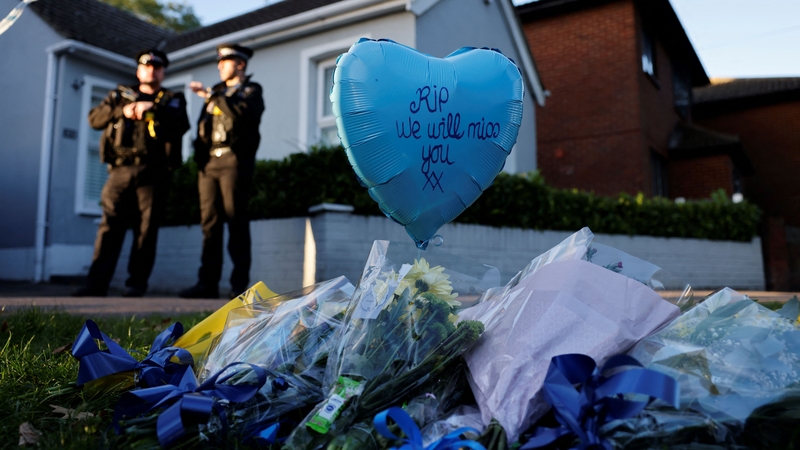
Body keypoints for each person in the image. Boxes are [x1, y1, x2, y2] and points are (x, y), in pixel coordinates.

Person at [73, 49, 190, 298]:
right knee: (109, 226)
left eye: (157, 67)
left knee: (146, 229)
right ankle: (96, 285)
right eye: (146, 66)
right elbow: (94, 119)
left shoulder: (173, 99)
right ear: (138, 71)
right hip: (120, 170)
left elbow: (182, 124)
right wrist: (122, 111)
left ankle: (136, 286)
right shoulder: (119, 95)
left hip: (154, 171)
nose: (151, 71)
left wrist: (153, 108)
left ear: (163, 73)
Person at [179, 43, 264, 299]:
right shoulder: (215, 93)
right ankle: (207, 284)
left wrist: (210, 96)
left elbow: (241, 116)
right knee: (210, 224)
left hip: (233, 161)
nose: (219, 66)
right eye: (219, 62)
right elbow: (203, 127)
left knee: (236, 220)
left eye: (224, 62)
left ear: (240, 64)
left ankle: (239, 287)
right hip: (209, 163)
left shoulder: (251, 90)